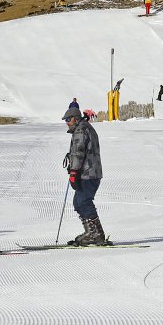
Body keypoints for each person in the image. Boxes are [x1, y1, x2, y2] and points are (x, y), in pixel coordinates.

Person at [63, 105, 108, 246]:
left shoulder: (81, 130)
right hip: (91, 172)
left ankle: (94, 234)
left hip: (88, 173)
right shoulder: (85, 127)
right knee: (80, 202)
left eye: (68, 119)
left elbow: (79, 152)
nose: (67, 122)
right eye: (66, 120)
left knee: (83, 202)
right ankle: (95, 233)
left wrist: (73, 172)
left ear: (75, 119)